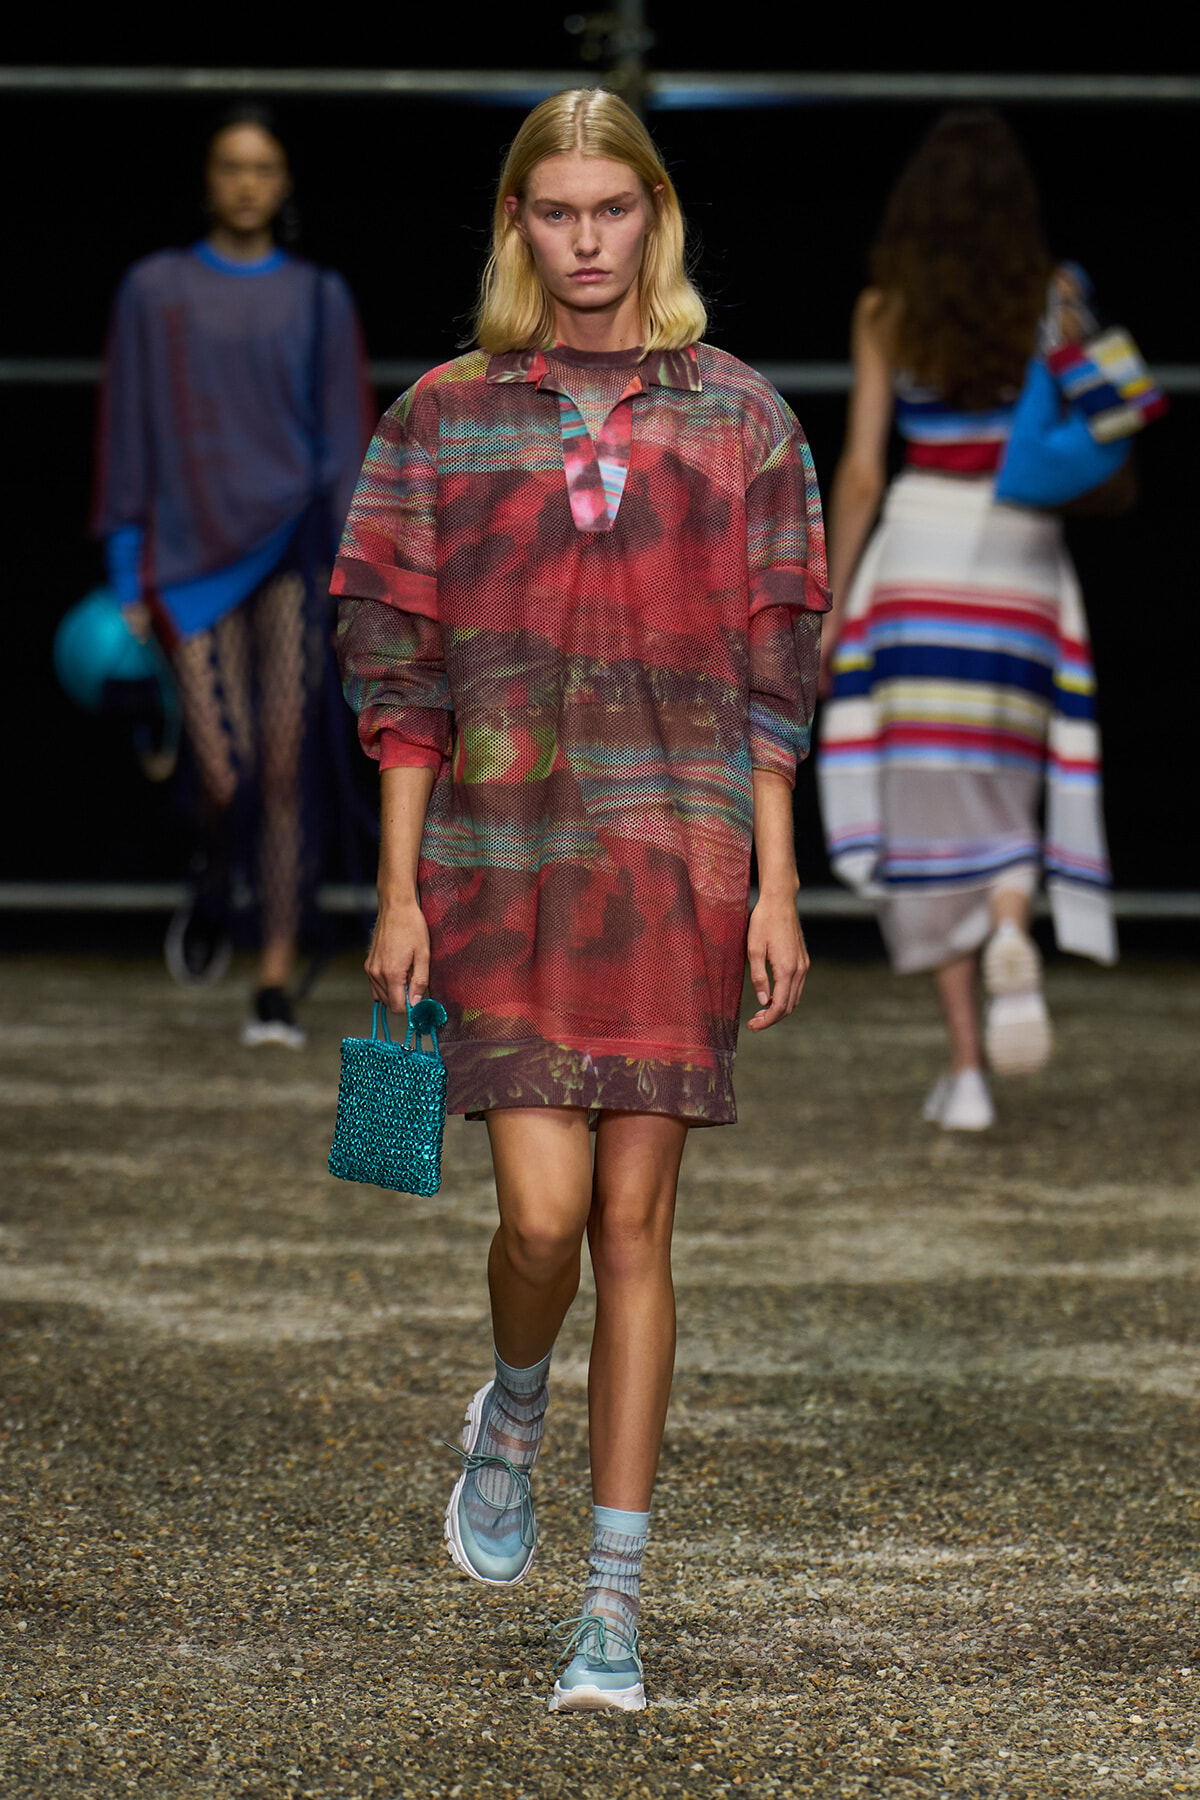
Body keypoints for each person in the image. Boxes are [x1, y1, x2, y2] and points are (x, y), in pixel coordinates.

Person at [332, 87, 828, 1710]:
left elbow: (775, 665)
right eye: (559, 210)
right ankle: (513, 1400)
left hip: (679, 862)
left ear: (657, 212)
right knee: (538, 1218)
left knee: (633, 1223)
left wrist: (778, 883)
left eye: (616, 207)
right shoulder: (442, 418)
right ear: (516, 223)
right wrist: (398, 885)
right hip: (499, 861)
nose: (590, 240)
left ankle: (611, 1608)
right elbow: (394, 662)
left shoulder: (741, 418)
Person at [817, 109, 1116, 1133]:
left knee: (929, 807)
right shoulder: (1059, 294)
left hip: (921, 556)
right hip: (1023, 557)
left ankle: (967, 1072)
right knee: (1011, 784)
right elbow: (1107, 429)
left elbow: (861, 469)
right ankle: (1010, 919)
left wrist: (830, 607)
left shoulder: (885, 309)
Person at [93, 105, 374, 1045]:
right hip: (185, 549)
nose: (247, 183)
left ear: (285, 183)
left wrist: (360, 577)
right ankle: (216, 877)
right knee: (225, 770)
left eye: (264, 167)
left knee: (288, 768)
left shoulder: (319, 296)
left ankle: (275, 978)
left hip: (290, 542)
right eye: (230, 165)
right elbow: (127, 425)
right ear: (208, 178)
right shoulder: (154, 289)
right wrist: (125, 562)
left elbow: (344, 442)